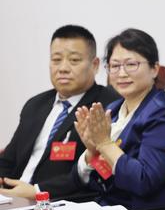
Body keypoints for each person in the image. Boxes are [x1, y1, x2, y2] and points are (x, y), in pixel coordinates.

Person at [72, 28, 165, 210]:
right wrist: (93, 152)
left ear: (154, 69)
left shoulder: (162, 115)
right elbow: (97, 182)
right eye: (115, 66)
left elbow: (144, 181)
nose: (122, 73)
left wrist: (104, 144)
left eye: (131, 64)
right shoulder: (112, 109)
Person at [0, 25, 117, 199]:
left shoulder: (107, 106)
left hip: (60, 202)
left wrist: (37, 191)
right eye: (56, 60)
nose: (63, 68)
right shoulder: (35, 105)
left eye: (74, 60)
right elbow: (9, 159)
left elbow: (96, 172)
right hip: (12, 198)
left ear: (95, 65)